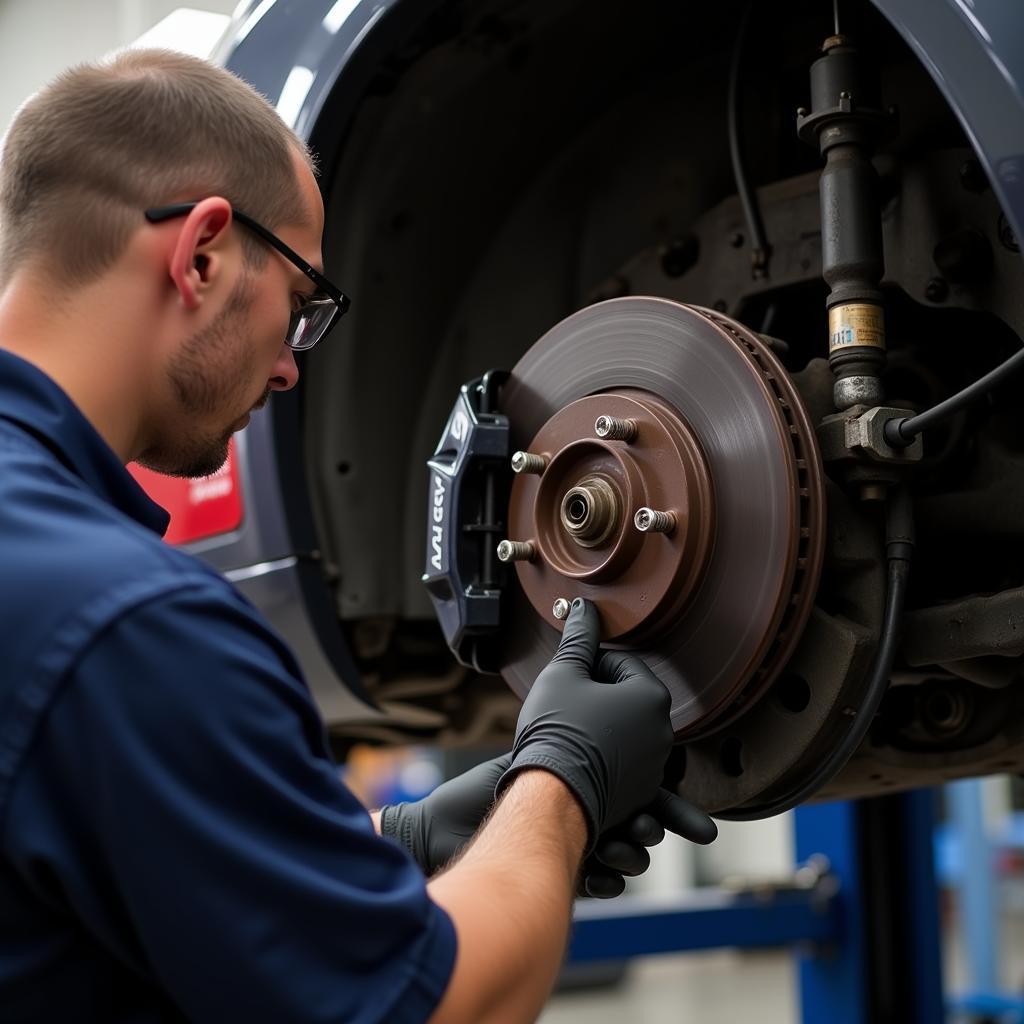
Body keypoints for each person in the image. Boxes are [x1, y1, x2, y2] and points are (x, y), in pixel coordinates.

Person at [0, 49, 716, 1023]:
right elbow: (436, 1005)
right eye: (300, 306)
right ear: (203, 252)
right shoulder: (126, 624)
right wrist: (561, 783)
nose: (293, 369)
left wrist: (396, 848)